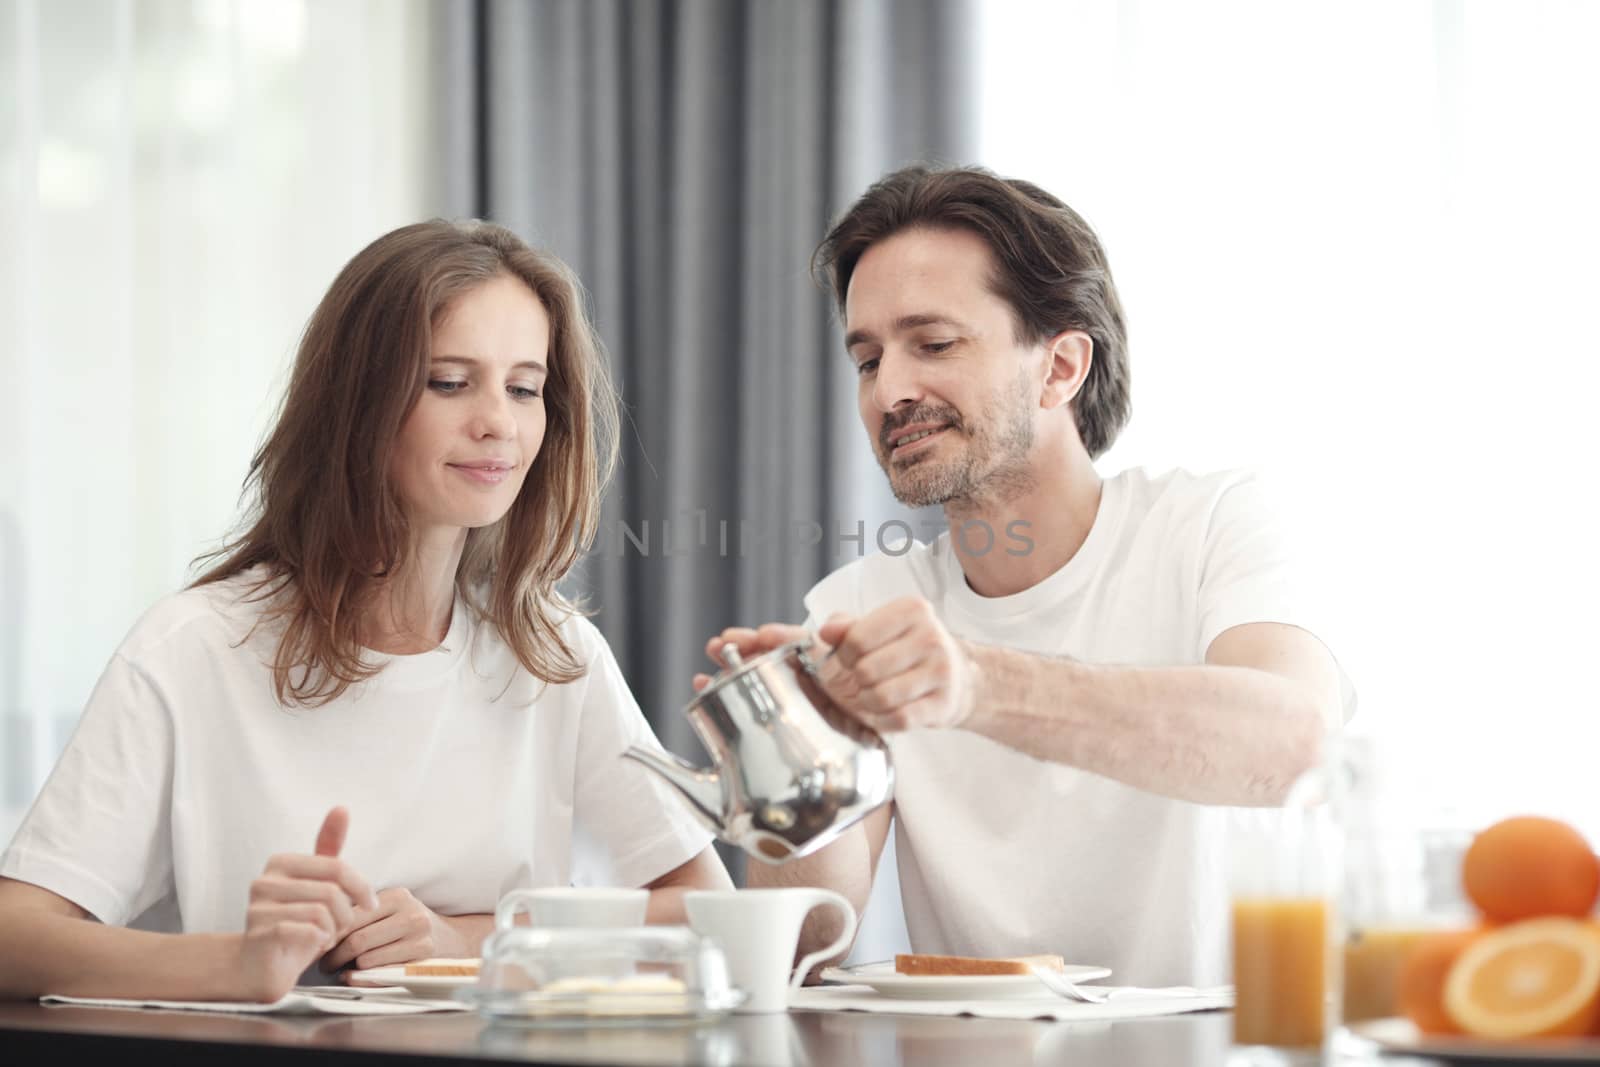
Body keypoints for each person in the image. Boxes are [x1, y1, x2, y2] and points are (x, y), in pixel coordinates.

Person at [0, 220, 731, 1003]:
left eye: (524, 387)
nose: (498, 421)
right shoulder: (194, 648)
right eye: (449, 381)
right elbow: (17, 934)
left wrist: (471, 939)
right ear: (356, 402)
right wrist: (240, 963)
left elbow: (709, 913)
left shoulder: (555, 655)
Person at [705, 165, 1351, 986]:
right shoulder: (860, 607)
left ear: (1061, 368)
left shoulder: (1212, 523)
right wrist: (794, 762)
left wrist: (974, 684)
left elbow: (1299, 746)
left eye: (933, 344)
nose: (890, 391)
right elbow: (802, 948)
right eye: (867, 360)